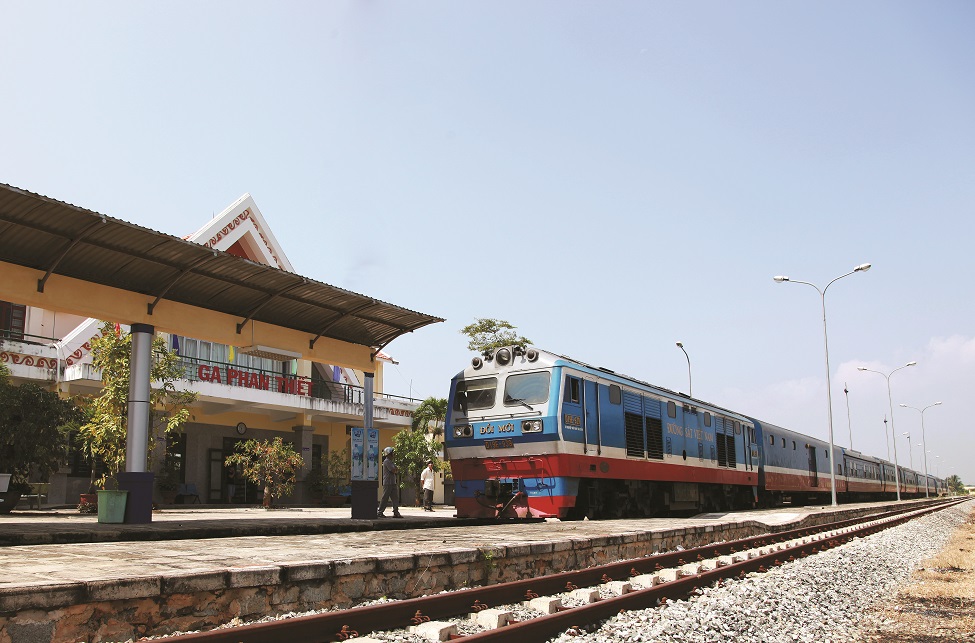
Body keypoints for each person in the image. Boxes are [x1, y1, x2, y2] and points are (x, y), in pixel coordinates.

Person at [377, 446, 402, 518]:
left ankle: (396, 512)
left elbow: (396, 469)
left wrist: (396, 469)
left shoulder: (391, 461)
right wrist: (395, 469)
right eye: (392, 453)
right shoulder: (387, 461)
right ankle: (380, 512)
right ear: (389, 454)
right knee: (385, 497)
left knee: (395, 498)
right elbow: (394, 470)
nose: (393, 454)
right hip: (388, 482)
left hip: (392, 482)